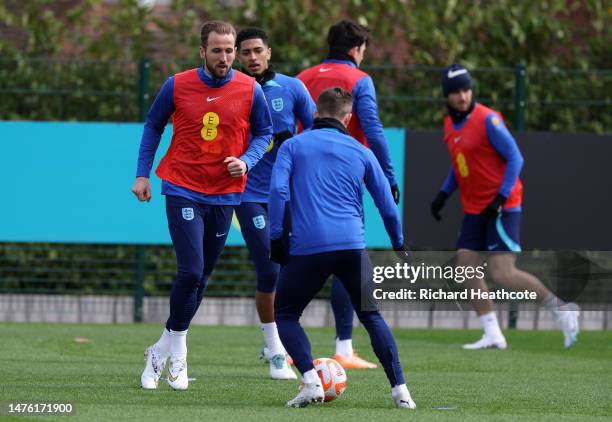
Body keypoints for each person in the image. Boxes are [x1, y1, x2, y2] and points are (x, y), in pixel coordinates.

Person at [132, 20, 273, 391]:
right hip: (182, 186)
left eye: (230, 50)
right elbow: (153, 125)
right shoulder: (177, 84)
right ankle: (179, 350)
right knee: (191, 271)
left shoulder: (250, 89)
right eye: (217, 50)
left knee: (204, 276)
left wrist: (246, 160)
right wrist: (142, 174)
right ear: (202, 52)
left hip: (226, 192)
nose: (225, 57)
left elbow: (265, 133)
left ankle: (160, 348)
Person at [269, 87, 416, 409]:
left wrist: (276, 238)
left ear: (315, 113)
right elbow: (388, 207)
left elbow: (279, 192)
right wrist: (399, 243)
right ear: (348, 117)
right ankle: (401, 391)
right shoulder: (362, 151)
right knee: (372, 316)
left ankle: (310, 382)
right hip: (352, 246)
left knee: (285, 313)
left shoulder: (293, 146)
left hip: (308, 248)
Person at [430, 63, 580, 349]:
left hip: (502, 205)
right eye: (456, 92)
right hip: (474, 208)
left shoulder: (488, 119)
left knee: (502, 272)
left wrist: (500, 197)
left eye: (466, 89)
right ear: (446, 96)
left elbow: (516, 158)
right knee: (465, 269)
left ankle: (562, 308)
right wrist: (443, 194)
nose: (463, 96)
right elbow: (459, 164)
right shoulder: (450, 124)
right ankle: (493, 333)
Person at [297, 19, 399, 369]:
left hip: (304, 176)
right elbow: (372, 128)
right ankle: (343, 347)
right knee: (346, 255)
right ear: (357, 49)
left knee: (298, 256)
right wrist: (388, 175)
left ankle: (283, 346)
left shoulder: (303, 77)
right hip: (344, 179)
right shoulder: (360, 80)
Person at [233, 27, 316, 380]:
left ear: (269, 52)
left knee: (293, 267)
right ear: (237, 56)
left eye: (257, 51)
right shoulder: (232, 91)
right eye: (245, 52)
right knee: (269, 267)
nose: (252, 58)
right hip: (248, 193)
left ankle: (281, 337)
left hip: (286, 194)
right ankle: (276, 348)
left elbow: (316, 133)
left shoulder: (293, 88)